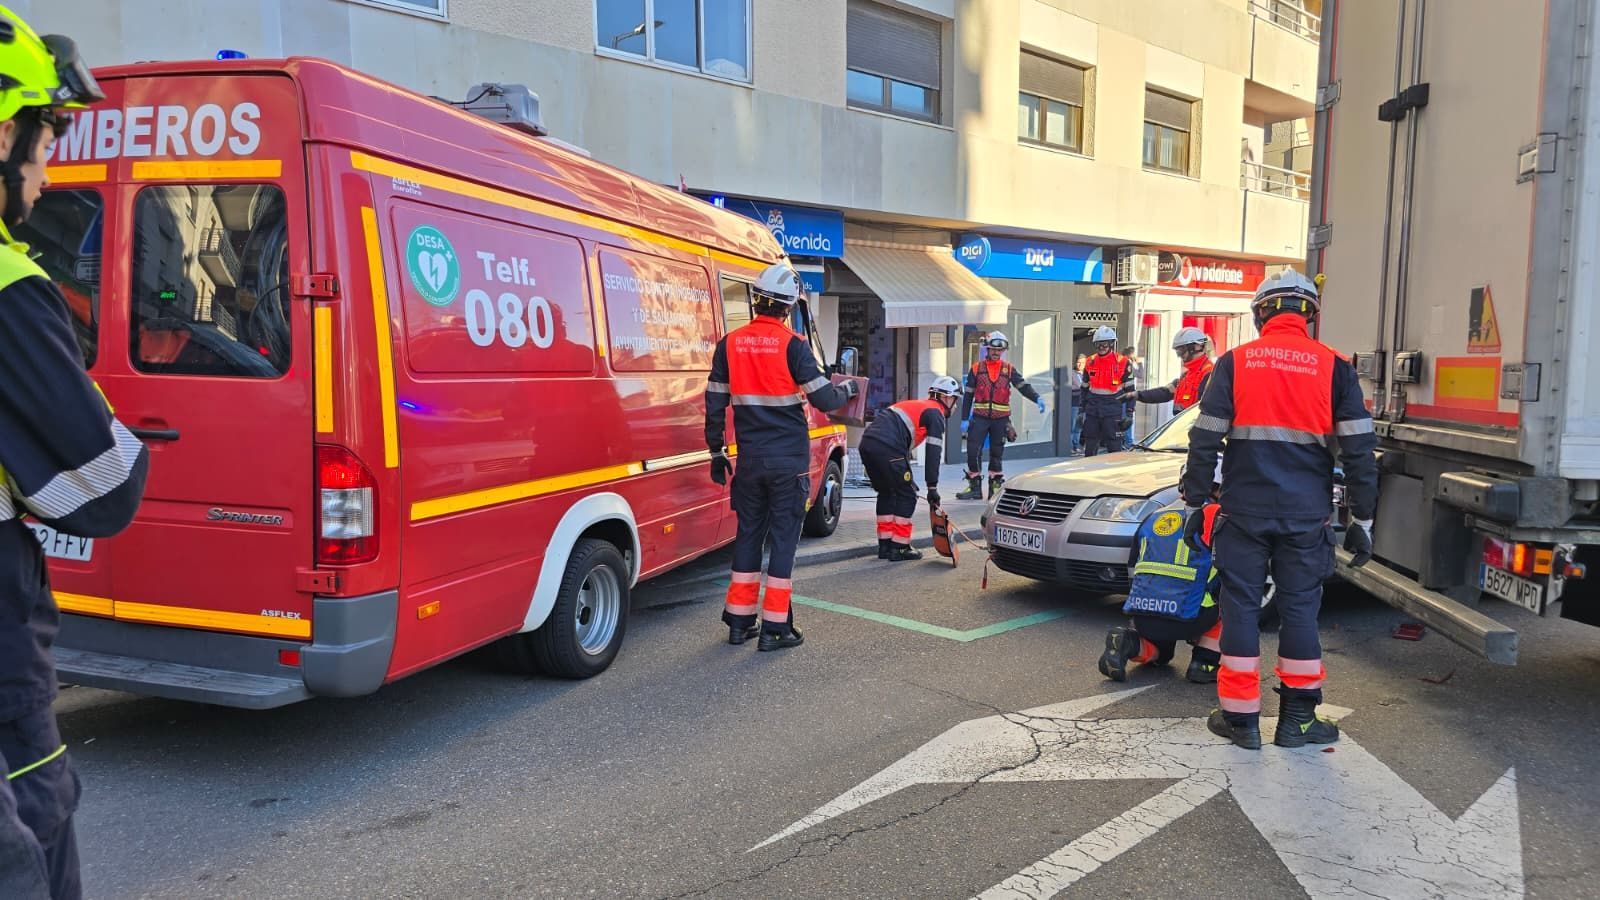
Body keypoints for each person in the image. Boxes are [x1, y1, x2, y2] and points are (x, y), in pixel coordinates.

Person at [0, 13, 150, 898]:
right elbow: (104, 488)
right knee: (33, 812)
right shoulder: (13, 291)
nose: (49, 171)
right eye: (44, 136)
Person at [1180, 270, 1378, 750]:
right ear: (1310, 314)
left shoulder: (1235, 362)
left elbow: (1204, 439)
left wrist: (1193, 503)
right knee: (1300, 614)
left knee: (1241, 609)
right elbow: (1358, 451)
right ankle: (1299, 721)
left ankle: (1241, 720)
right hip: (1306, 516)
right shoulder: (1335, 367)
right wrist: (1363, 520)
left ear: (1260, 313)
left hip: (1242, 514)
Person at [705, 263, 857, 652]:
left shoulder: (729, 344)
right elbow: (825, 398)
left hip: (750, 461)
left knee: (749, 537)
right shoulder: (794, 345)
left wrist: (717, 450)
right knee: (785, 541)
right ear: (789, 307)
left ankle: (739, 623)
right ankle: (776, 628)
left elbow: (715, 403)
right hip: (787, 463)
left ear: (756, 300)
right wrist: (849, 390)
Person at [1099, 503, 1223, 684]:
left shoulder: (1155, 515)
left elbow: (1133, 567)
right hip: (1193, 615)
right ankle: (1204, 663)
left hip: (1144, 612)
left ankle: (1130, 643)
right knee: (1237, 604)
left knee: (1162, 654)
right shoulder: (1218, 514)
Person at [858, 376, 961, 561]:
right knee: (907, 494)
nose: (955, 406)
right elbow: (933, 454)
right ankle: (900, 547)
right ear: (946, 398)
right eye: (955, 400)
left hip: (867, 444)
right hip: (888, 447)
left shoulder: (916, 404)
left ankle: (885, 546)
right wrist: (932, 488)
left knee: (887, 492)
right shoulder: (935, 413)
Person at [955, 331, 1043, 500]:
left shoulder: (1008, 369)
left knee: (997, 453)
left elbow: (1023, 386)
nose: (996, 353)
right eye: (993, 349)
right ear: (987, 349)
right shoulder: (976, 369)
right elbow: (968, 395)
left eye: (999, 350)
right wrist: (965, 418)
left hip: (1001, 419)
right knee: (973, 451)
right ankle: (974, 487)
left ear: (1003, 351)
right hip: (980, 417)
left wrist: (1037, 398)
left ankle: (994, 486)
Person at [1123, 326, 1214, 414]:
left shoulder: (1209, 373)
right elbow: (1165, 393)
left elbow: (1207, 409)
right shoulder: (1187, 373)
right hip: (1182, 426)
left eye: (1182, 350)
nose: (1179, 355)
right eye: (1177, 351)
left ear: (1197, 346)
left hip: (1194, 426)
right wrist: (1137, 395)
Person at [1078, 326, 1134, 457]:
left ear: (1111, 344)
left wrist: (1129, 413)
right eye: (1098, 344)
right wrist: (1081, 411)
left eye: (1104, 344)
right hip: (1093, 410)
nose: (1101, 347)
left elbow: (1131, 390)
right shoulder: (1090, 362)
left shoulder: (1123, 362)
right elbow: (1084, 388)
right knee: (1090, 447)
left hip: (1113, 410)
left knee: (1114, 447)